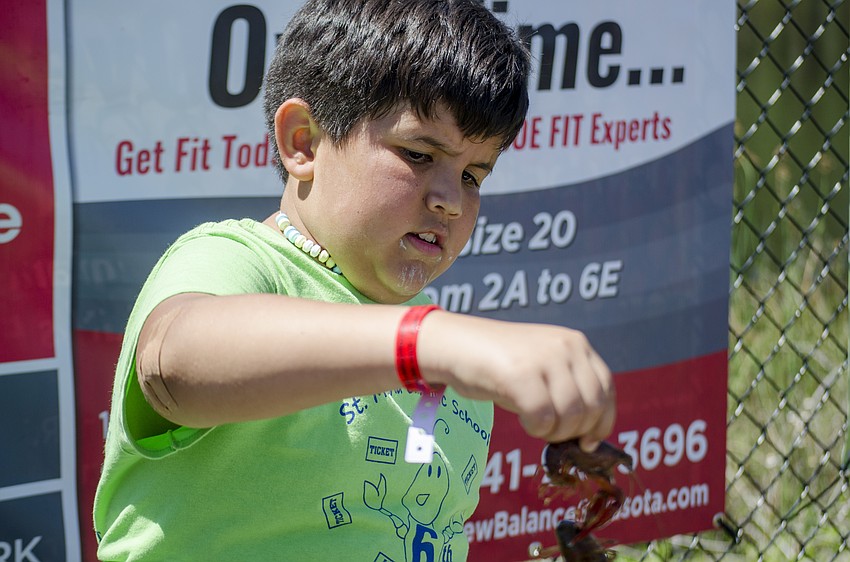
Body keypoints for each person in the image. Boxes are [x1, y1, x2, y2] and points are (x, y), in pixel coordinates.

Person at [93, 0, 616, 559]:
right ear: (303, 142)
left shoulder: (439, 350)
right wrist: (431, 343)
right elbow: (172, 366)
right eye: (418, 154)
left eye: (472, 175)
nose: (450, 201)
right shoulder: (241, 261)